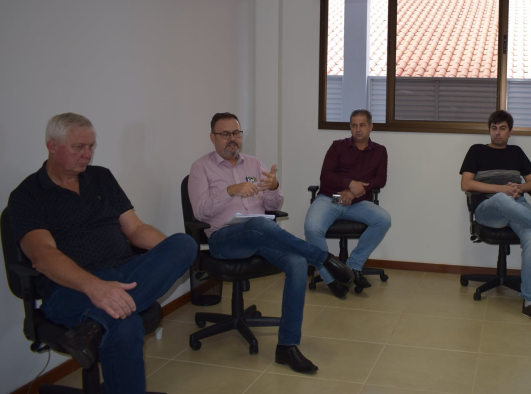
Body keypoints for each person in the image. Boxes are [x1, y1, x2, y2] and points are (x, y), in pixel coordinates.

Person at [7, 113, 197, 394]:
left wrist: (169, 256)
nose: (87, 155)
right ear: (52, 146)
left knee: (185, 244)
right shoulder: (27, 195)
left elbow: (135, 229)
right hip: (69, 289)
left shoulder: (101, 177)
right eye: (78, 147)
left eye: (91, 147)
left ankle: (93, 327)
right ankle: (104, 323)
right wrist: (95, 287)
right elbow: (43, 256)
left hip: (124, 272)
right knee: (125, 323)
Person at [188, 112, 353, 374]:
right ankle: (323, 258)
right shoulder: (200, 168)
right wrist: (230, 191)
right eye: (225, 134)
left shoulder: (254, 164)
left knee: (296, 262)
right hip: (224, 239)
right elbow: (199, 212)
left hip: (261, 235)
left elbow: (273, 205)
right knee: (260, 224)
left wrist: (274, 187)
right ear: (213, 138)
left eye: (236, 133)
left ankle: (286, 346)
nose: (232, 139)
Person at [459, 110, 531, 327]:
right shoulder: (476, 150)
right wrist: (501, 189)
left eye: (502, 128)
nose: (497, 133)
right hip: (488, 209)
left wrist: (519, 188)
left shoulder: (516, 152)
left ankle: (530, 302)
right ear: (489, 130)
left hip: (517, 207)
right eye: (494, 128)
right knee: (502, 199)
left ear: (510, 131)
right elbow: (466, 183)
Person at [304, 109, 391, 299]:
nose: (358, 129)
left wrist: (353, 192)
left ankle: (353, 267)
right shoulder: (338, 146)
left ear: (370, 127)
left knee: (383, 219)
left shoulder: (380, 151)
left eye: (362, 125)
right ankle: (330, 278)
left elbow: (380, 179)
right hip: (331, 198)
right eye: (354, 125)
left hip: (357, 202)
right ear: (350, 127)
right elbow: (325, 175)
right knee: (311, 228)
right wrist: (349, 184)